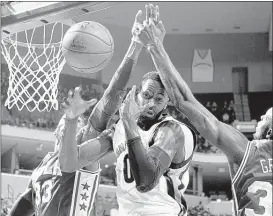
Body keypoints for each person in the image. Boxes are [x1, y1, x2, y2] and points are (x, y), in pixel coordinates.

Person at [138, 4, 272, 216]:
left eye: (264, 116)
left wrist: (155, 46)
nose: (260, 117)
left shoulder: (247, 152)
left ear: (270, 131)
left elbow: (183, 100)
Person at [8, 7, 144, 216]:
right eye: (67, 119)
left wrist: (135, 45)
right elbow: (24, 204)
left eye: (79, 120)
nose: (71, 120)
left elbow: (109, 101)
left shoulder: (82, 150)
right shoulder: (42, 168)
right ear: (56, 132)